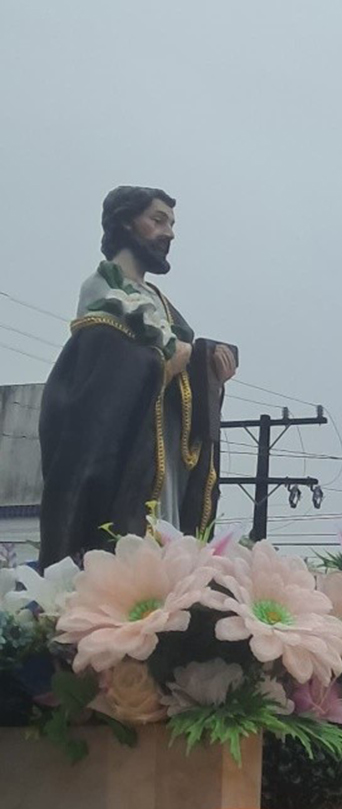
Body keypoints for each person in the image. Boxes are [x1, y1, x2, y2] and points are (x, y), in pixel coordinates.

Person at [38, 187, 238, 566]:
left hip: (166, 456)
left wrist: (209, 375)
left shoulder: (160, 303)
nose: (169, 233)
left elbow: (178, 370)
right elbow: (100, 363)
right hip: (125, 457)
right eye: (158, 220)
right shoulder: (103, 287)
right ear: (127, 222)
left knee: (167, 540)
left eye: (172, 224)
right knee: (125, 541)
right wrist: (163, 363)